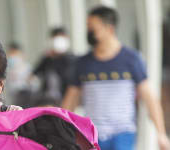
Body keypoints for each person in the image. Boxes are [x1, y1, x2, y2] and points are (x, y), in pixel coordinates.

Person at [61, 6, 170, 150]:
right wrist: (60, 129)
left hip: (123, 134)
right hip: (92, 135)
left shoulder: (132, 59)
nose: (89, 32)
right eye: (88, 27)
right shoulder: (83, 63)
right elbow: (71, 99)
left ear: (109, 29)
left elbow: (149, 98)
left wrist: (161, 133)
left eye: (93, 28)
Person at [32, 27, 76, 104]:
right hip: (48, 102)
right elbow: (34, 74)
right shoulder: (47, 59)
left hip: (66, 99)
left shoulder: (72, 59)